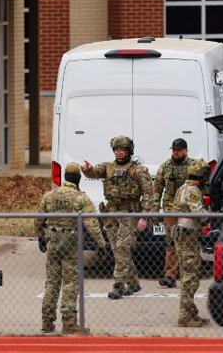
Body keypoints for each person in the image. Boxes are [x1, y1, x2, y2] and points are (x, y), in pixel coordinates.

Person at [35, 162, 107, 334]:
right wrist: (101, 244)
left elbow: (38, 219)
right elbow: (92, 224)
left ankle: (47, 321)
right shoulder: (80, 198)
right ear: (78, 178)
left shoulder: (49, 195)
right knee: (70, 282)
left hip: (53, 241)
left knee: (52, 281)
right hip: (71, 244)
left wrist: (40, 237)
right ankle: (68, 322)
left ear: (66, 177)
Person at [82, 135, 152, 300]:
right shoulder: (108, 167)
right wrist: (87, 169)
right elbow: (94, 172)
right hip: (111, 215)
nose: (118, 153)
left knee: (122, 248)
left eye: (122, 150)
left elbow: (149, 193)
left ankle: (118, 286)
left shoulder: (137, 170)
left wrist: (145, 217)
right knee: (117, 251)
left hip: (129, 215)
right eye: (116, 150)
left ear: (129, 151)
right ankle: (133, 283)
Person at [147, 138, 197, 289]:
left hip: (187, 212)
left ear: (185, 151)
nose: (175, 153)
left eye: (178, 150)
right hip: (170, 211)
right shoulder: (166, 167)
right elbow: (156, 190)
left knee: (188, 243)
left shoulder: (193, 166)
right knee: (171, 243)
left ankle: (189, 274)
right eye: (173, 150)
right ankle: (170, 275)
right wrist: (154, 211)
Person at [173, 160, 211, 327]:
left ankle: (190, 312)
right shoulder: (192, 189)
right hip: (187, 235)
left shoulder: (183, 187)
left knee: (188, 275)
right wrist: (211, 216)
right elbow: (198, 212)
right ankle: (185, 316)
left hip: (184, 234)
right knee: (190, 278)